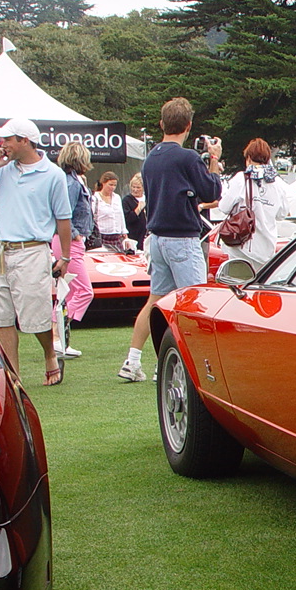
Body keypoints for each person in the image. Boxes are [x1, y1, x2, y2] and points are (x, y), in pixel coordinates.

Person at [119, 97, 222, 382]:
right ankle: (184, 364)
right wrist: (213, 160)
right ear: (188, 125)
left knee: (155, 301)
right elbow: (212, 191)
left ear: (162, 124)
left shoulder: (152, 157)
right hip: (182, 238)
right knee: (194, 301)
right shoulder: (187, 157)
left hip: (158, 237)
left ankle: (134, 360)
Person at [0, 118, 72, 384]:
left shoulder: (53, 175)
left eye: (8, 140)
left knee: (35, 316)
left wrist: (65, 256)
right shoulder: (3, 171)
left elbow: (64, 219)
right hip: (0, 248)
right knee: (1, 317)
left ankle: (50, 354)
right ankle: (11, 376)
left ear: (24, 141)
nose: (3, 145)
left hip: (32, 250)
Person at [218, 138, 288, 268]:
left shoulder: (241, 179)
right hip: (266, 249)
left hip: (242, 246)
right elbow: (281, 214)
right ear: (268, 159)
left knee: (240, 284)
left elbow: (224, 207)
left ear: (248, 158)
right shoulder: (278, 184)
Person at [53, 141, 95, 357]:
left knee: (69, 291)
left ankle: (61, 337)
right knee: (83, 291)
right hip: (69, 241)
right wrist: (76, 233)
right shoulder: (71, 183)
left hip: (71, 240)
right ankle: (56, 334)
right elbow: (63, 213)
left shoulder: (75, 181)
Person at [93, 171, 128, 252]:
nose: (112, 187)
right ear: (103, 183)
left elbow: (121, 215)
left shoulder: (117, 197)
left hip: (116, 237)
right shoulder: (95, 197)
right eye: (110, 185)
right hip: (102, 235)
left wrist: (124, 232)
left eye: (114, 185)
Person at [122, 173, 148, 248]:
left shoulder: (148, 199)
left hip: (146, 236)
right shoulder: (126, 200)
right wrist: (138, 209)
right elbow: (127, 219)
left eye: (138, 187)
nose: (135, 190)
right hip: (133, 237)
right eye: (133, 187)